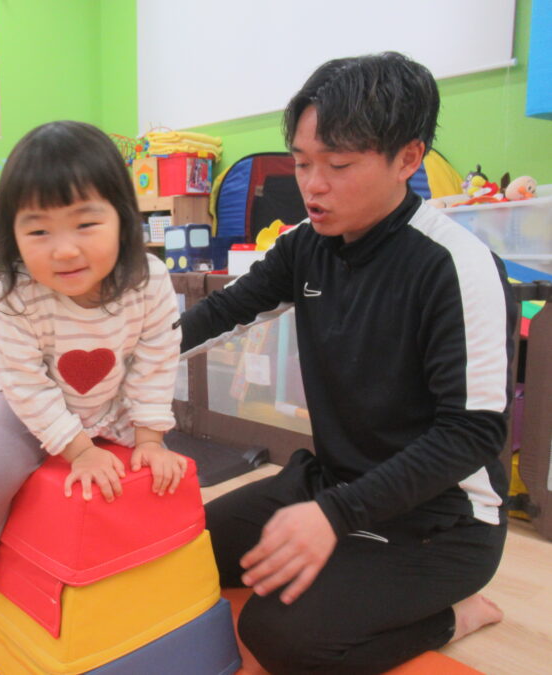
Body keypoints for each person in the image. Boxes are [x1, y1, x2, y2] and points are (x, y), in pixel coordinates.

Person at [180, 52, 517, 674]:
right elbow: (224, 310)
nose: (313, 185)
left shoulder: (457, 266)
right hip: (333, 483)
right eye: (302, 162)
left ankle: (453, 617)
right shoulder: (305, 244)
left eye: (337, 166)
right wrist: (129, 359)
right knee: (187, 550)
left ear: (408, 159)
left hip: (440, 519)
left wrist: (335, 517)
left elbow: (472, 433)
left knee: (280, 636)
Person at [0, 120, 187, 644]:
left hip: (112, 401)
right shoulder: (14, 292)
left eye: (85, 224)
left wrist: (150, 437)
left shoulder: (148, 280)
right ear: (13, 236)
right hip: (32, 409)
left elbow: (156, 359)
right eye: (39, 232)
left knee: (162, 472)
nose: (65, 250)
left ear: (122, 219)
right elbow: (25, 382)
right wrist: (79, 450)